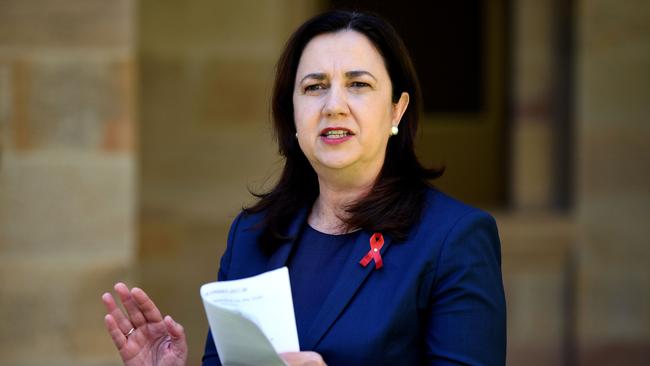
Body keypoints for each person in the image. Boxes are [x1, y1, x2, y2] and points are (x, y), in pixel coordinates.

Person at [102, 10, 506, 366]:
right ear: (292, 115)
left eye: (358, 84)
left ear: (396, 110)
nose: (334, 104)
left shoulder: (454, 239)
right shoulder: (251, 235)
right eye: (314, 87)